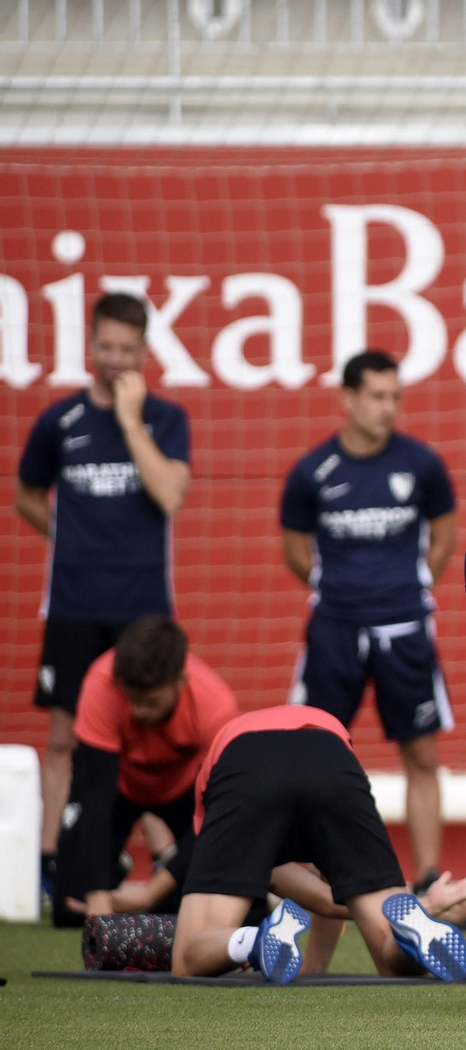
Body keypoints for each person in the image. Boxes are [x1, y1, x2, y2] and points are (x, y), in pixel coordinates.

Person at [16, 292, 192, 897]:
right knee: (63, 735)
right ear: (89, 346)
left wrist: (127, 420)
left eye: (127, 348)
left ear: (145, 351)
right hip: (71, 603)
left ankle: (166, 856)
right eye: (106, 346)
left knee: (147, 734)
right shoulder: (58, 421)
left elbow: (170, 493)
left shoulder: (165, 418)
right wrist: (71, 538)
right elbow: (26, 494)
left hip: (141, 609)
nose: (115, 358)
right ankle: (48, 862)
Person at [280, 349, 457, 888]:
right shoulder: (312, 471)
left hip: (405, 628)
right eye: (377, 397)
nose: (387, 408)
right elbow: (295, 550)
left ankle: (426, 877)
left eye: (395, 397)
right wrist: (336, 589)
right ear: (349, 398)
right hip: (335, 627)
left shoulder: (421, 464)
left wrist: (416, 583)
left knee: (421, 754)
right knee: (316, 750)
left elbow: (444, 533)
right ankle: (312, 873)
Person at [172, 704, 466, 985]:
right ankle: (410, 935)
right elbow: (336, 886)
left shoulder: (206, 789)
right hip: (331, 754)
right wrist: (315, 972)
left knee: (188, 957)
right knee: (388, 952)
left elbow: (265, 874)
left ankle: (255, 941)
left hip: (243, 754)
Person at [51, 616, 237, 927]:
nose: (139, 711)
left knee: (234, 905)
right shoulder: (101, 683)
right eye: (132, 700)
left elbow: (218, 814)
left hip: (184, 793)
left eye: (151, 702)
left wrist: (151, 892)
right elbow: (96, 796)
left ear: (180, 681)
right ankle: (115, 866)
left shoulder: (215, 705)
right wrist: (97, 896)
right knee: (69, 911)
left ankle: (164, 879)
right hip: (119, 790)